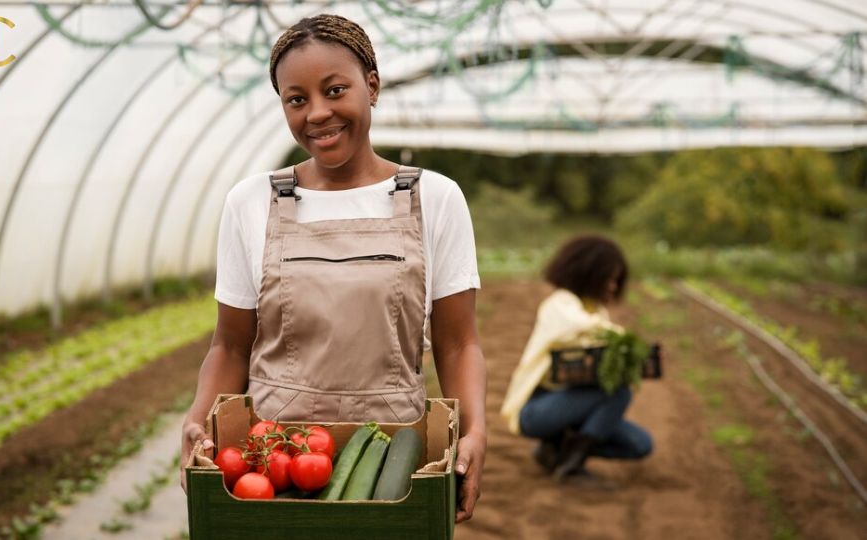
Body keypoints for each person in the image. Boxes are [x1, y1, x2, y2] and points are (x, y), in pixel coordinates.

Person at [178, 14, 486, 522]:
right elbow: (230, 344)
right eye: (296, 100)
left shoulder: (435, 197)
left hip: (393, 456)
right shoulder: (251, 201)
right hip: (273, 458)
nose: (317, 113)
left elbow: (458, 343)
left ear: (372, 86)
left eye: (335, 89)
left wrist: (474, 433)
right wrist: (197, 422)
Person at [499, 235, 652, 482]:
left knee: (640, 444)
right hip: (537, 408)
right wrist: (626, 339)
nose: (613, 287)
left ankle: (556, 448)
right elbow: (577, 328)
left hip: (571, 402)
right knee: (619, 392)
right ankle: (571, 466)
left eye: (616, 281)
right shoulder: (560, 304)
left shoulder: (595, 312)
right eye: (610, 279)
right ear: (590, 273)